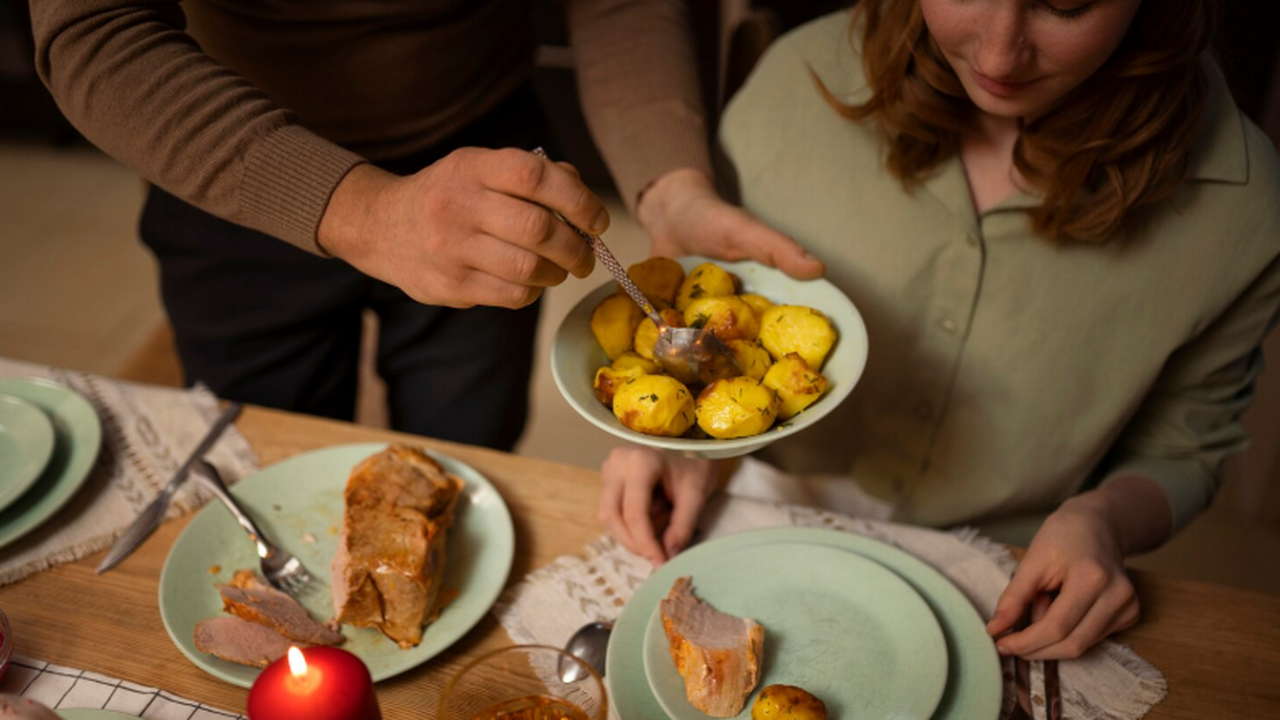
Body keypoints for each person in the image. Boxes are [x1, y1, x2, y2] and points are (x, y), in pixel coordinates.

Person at [600, 0, 1280, 661]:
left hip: (1006, 569)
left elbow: (1186, 447)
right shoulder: (794, 81)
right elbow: (709, 318)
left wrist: (1104, 519)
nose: (998, 54)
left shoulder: (1244, 207)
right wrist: (681, 440)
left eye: (1067, 3)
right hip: (756, 516)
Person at [29, 0, 819, 451]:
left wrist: (669, 178)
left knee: (468, 452)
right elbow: (94, 31)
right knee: (270, 467)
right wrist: (362, 209)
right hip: (236, 166)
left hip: (487, 158)